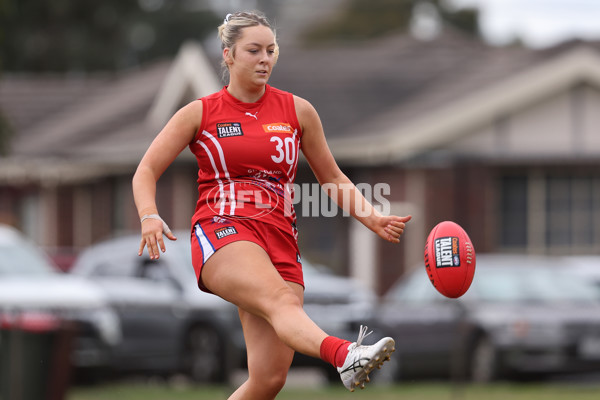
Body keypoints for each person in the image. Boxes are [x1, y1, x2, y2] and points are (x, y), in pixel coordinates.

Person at [132, 10, 412, 398]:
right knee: (280, 299)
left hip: (280, 238)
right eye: (253, 50)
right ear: (228, 55)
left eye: (271, 50)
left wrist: (372, 216)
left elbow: (331, 178)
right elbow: (145, 170)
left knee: (268, 379)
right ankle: (346, 354)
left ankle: (343, 357)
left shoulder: (298, 111)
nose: (265, 59)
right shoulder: (200, 112)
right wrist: (149, 215)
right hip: (224, 228)